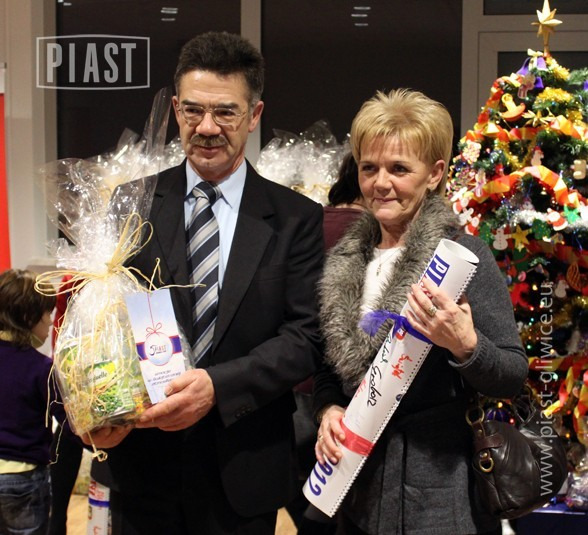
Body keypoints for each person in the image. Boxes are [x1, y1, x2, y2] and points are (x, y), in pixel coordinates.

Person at [82, 31, 325, 535]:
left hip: (243, 469)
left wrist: (217, 387)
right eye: (193, 110)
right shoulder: (131, 204)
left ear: (254, 115)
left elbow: (306, 337)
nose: (207, 127)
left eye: (226, 112)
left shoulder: (295, 217)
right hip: (143, 468)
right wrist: (92, 405)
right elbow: (99, 325)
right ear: (176, 109)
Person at [312, 89, 528, 535]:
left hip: (442, 501)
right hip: (355, 492)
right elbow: (329, 365)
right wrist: (328, 409)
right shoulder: (344, 261)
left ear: (435, 174)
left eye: (399, 169)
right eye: (369, 168)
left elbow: (511, 375)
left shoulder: (463, 257)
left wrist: (466, 345)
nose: (380, 183)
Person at [0, 269, 58, 535]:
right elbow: (68, 420)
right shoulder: (40, 368)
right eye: (47, 314)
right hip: (23, 477)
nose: (51, 323)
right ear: (27, 317)